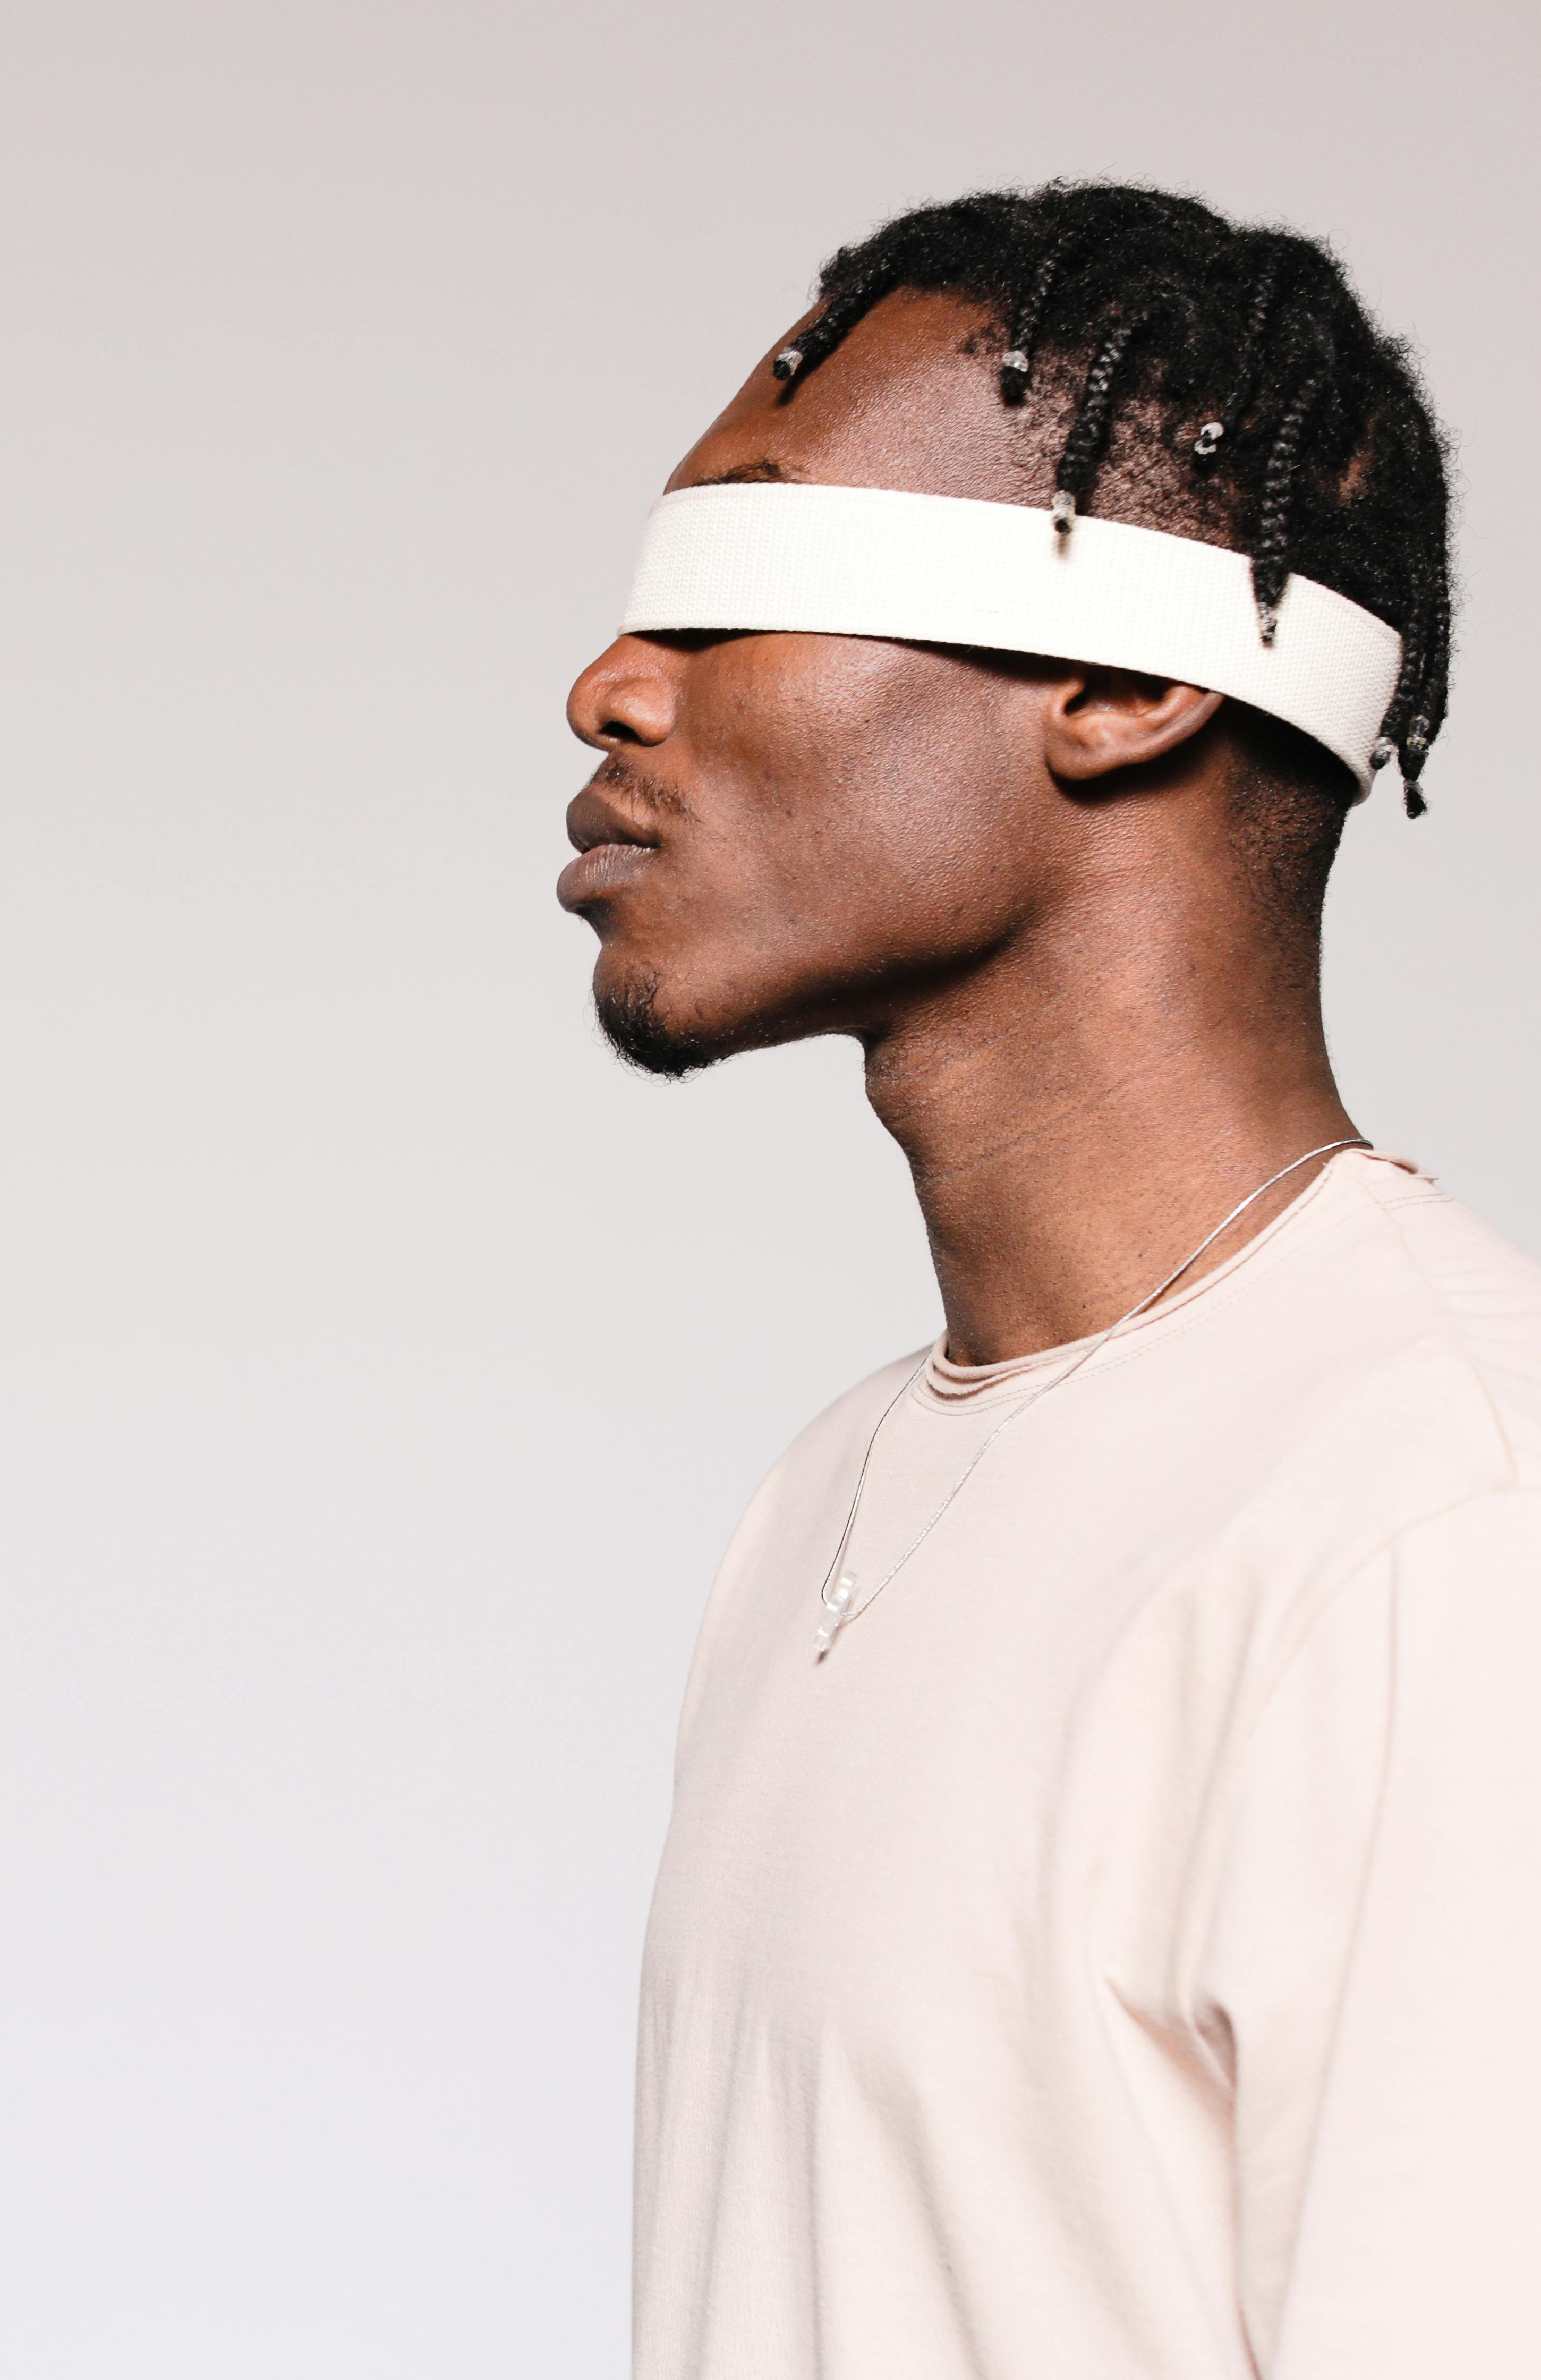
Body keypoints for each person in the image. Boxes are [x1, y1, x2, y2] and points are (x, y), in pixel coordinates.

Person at [561, 187, 1525, 2376]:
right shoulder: (827, 1494)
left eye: (739, 582)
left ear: (1116, 679)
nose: (611, 682)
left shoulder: (1441, 1526)